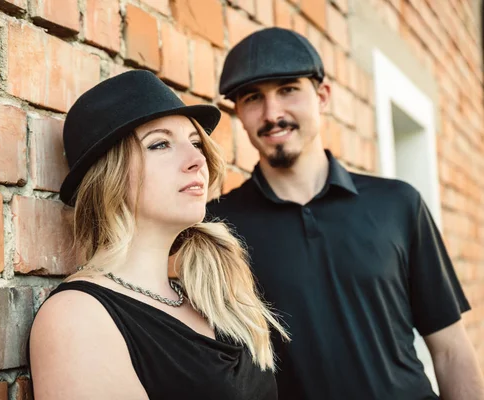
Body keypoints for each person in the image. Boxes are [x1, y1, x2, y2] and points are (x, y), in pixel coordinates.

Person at [207, 27, 484, 400]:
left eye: (288, 90)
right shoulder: (217, 227)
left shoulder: (398, 204)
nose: (273, 113)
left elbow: (450, 349)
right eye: (254, 98)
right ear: (238, 112)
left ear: (322, 96)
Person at [28, 70, 289, 400]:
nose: (197, 160)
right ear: (110, 175)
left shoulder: (209, 298)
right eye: (160, 144)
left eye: (196, 143)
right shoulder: (77, 318)